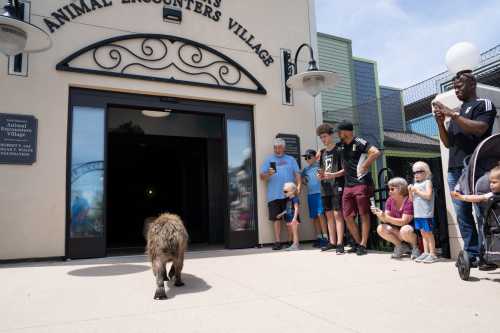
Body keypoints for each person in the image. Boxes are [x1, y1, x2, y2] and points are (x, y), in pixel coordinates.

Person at [433, 70, 497, 266]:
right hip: (454, 169)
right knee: (462, 214)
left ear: (472, 84)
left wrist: (452, 113)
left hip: (476, 166)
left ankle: (488, 253)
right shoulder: (456, 114)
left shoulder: (483, 104)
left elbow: (480, 128)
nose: (456, 90)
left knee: (481, 211)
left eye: (459, 86)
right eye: (454, 87)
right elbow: (447, 143)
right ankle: (472, 254)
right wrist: (440, 123)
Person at [336, 120, 381, 255]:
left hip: (361, 183)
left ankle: (363, 244)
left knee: (364, 214)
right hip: (347, 185)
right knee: (347, 216)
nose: (338, 134)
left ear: (347, 131)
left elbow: (375, 152)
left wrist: (366, 165)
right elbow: (332, 151)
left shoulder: (359, 141)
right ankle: (357, 242)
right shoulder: (340, 146)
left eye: (339, 131)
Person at [260, 138, 301, 250]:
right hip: (274, 194)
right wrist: (268, 173)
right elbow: (262, 177)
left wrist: (298, 187)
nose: (276, 149)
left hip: (289, 195)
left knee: (290, 218)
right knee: (276, 219)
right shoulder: (269, 160)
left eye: (279, 147)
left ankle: (290, 241)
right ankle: (277, 242)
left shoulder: (291, 159)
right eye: (275, 147)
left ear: (283, 147)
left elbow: (297, 174)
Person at [315, 124, 346, 254]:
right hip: (325, 186)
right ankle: (332, 242)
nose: (323, 139)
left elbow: (345, 170)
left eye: (325, 136)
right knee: (328, 215)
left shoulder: (339, 150)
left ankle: (340, 243)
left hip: (336, 185)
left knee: (337, 214)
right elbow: (321, 170)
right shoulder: (322, 153)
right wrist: (319, 175)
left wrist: (333, 174)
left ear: (331, 135)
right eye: (321, 137)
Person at [372, 178, 421, 259]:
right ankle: (401, 247)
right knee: (380, 228)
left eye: (392, 189)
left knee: (405, 230)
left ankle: (415, 248)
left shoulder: (409, 200)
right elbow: (385, 220)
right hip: (398, 230)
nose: (389, 191)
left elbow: (404, 222)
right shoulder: (390, 200)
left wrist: (386, 217)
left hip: (410, 230)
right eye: (389, 189)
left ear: (401, 188)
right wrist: (379, 214)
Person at [409, 161, 438, 263]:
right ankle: (426, 252)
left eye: (419, 172)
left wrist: (416, 191)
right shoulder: (415, 184)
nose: (416, 174)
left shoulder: (427, 182)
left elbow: (428, 196)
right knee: (422, 233)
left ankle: (433, 254)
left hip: (426, 213)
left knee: (429, 233)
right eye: (414, 172)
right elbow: (411, 200)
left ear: (426, 172)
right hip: (418, 214)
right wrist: (410, 191)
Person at [301, 149, 328, 248]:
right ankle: (319, 238)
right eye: (305, 158)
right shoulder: (305, 170)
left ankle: (326, 238)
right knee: (314, 217)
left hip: (320, 193)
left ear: (314, 157)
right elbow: (301, 179)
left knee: (320, 214)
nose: (307, 159)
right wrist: (304, 181)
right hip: (310, 194)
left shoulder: (320, 166)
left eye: (309, 157)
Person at [282, 182, 301, 251]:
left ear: (292, 191)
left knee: (295, 232)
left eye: (286, 191)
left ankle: (296, 245)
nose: (284, 193)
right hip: (290, 218)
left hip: (294, 218)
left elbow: (296, 208)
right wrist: (281, 214)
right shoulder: (288, 200)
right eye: (284, 191)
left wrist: (294, 218)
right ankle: (294, 244)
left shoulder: (295, 199)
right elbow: (287, 209)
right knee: (292, 232)